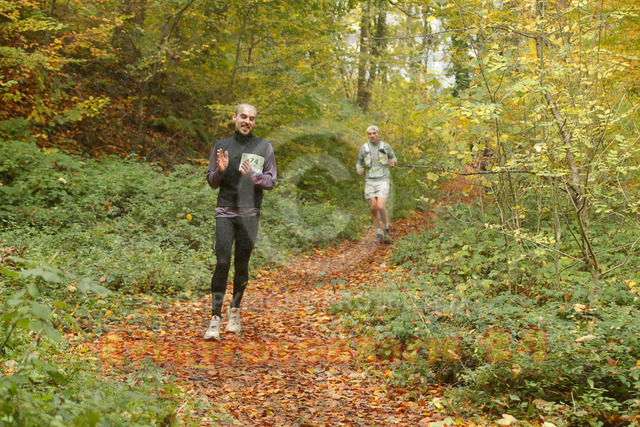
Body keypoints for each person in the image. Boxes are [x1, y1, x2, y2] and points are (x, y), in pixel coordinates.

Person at [203, 103, 277, 340]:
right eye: (243, 117)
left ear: (255, 122)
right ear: (234, 117)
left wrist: (252, 175)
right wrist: (221, 171)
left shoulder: (264, 147)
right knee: (222, 262)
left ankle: (234, 311)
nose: (247, 121)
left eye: (251, 118)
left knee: (241, 265)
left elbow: (271, 181)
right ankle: (215, 318)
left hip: (249, 215)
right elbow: (212, 181)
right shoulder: (221, 145)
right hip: (225, 211)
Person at [356, 125, 397, 243]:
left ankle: (386, 229)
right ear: (368, 135)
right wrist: (359, 169)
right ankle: (378, 234)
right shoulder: (364, 148)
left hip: (383, 179)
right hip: (370, 181)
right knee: (373, 208)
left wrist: (393, 162)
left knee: (381, 206)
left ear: (378, 134)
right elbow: (359, 163)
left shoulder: (385, 146)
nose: (372, 136)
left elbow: (394, 157)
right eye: (370, 134)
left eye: (374, 133)